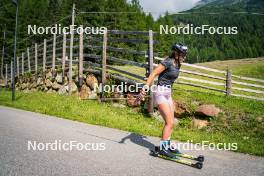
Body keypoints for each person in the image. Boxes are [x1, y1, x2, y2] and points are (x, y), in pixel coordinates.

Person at [140, 43, 188, 158]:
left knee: (172, 121)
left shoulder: (178, 64)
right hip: (160, 92)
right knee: (169, 122)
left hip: (168, 93)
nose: (184, 57)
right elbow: (154, 73)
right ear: (176, 53)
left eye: (185, 54)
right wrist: (145, 88)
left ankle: (167, 144)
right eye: (182, 54)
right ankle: (162, 148)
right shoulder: (168, 62)